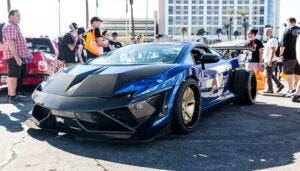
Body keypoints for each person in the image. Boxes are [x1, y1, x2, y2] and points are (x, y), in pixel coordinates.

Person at [2, 9, 31, 102]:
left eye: (20, 16)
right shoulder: (11, 26)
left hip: (13, 56)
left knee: (12, 76)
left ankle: (11, 95)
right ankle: (12, 96)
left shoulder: (14, 26)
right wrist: (17, 57)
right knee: (13, 76)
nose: (20, 18)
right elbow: (10, 43)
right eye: (17, 15)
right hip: (13, 56)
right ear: (11, 16)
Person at [280, 17, 300, 96]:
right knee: (297, 73)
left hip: (289, 55)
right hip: (298, 56)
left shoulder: (287, 30)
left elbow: (283, 45)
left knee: (289, 73)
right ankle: (297, 91)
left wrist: (281, 54)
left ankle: (290, 89)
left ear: (289, 22)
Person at [262, 28, 284, 93]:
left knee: (268, 75)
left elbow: (273, 50)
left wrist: (270, 60)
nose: (266, 34)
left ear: (271, 32)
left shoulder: (272, 40)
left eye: (267, 32)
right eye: (265, 32)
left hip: (271, 60)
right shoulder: (271, 40)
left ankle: (270, 89)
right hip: (270, 59)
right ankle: (279, 85)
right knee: (269, 74)